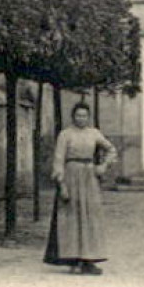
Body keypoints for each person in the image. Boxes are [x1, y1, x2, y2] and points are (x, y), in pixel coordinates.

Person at [44, 101, 117, 276]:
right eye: (78, 115)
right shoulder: (65, 135)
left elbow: (111, 149)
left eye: (84, 116)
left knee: (90, 217)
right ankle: (73, 259)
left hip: (89, 178)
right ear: (73, 117)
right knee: (71, 218)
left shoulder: (94, 133)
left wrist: (103, 166)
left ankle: (89, 260)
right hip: (71, 176)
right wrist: (62, 184)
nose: (81, 119)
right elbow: (59, 159)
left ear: (88, 117)